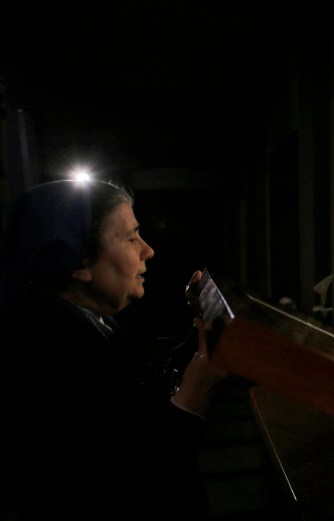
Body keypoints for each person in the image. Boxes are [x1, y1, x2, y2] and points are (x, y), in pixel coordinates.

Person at [0, 179, 229, 520]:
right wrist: (195, 394)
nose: (147, 250)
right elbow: (135, 481)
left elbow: (149, 394)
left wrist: (201, 336)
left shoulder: (85, 319)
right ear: (78, 261)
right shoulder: (50, 355)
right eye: (131, 237)